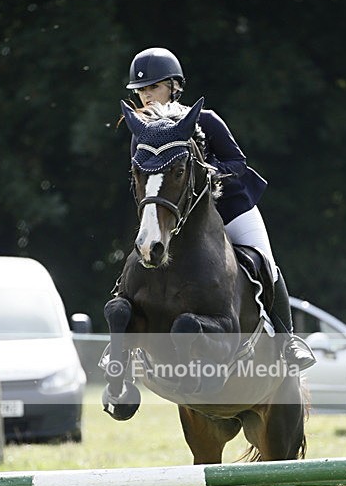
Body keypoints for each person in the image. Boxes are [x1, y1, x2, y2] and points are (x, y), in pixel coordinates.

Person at [125, 47, 316, 370]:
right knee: (136, 263)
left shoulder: (206, 120)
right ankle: (120, 343)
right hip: (175, 217)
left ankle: (287, 344)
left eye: (153, 87)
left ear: (174, 86)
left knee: (266, 263)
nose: (147, 96)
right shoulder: (142, 132)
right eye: (141, 90)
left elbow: (237, 162)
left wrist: (203, 171)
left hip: (230, 209)